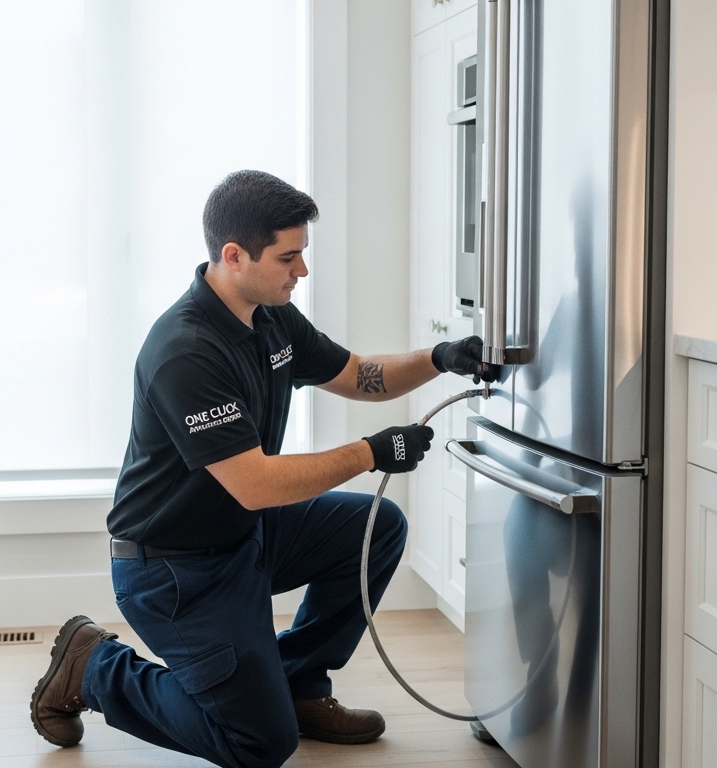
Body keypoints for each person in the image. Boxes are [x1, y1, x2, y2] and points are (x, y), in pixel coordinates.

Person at [29, 170, 497, 768]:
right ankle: (93, 666)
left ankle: (298, 684)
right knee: (258, 743)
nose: (301, 270)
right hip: (174, 567)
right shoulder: (186, 350)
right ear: (233, 255)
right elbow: (253, 485)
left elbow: (358, 374)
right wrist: (371, 452)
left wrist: (439, 359)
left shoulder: (269, 315)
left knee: (376, 525)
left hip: (242, 536)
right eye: (289, 257)